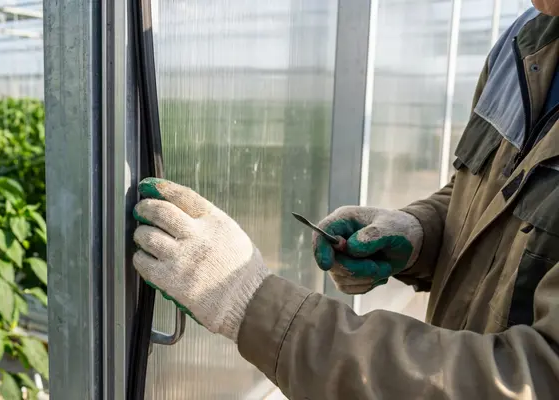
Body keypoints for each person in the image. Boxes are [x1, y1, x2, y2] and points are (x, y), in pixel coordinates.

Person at [131, 2, 559, 398]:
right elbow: (492, 193)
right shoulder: (526, 40)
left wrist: (248, 304)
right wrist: (419, 231)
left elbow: (530, 379)